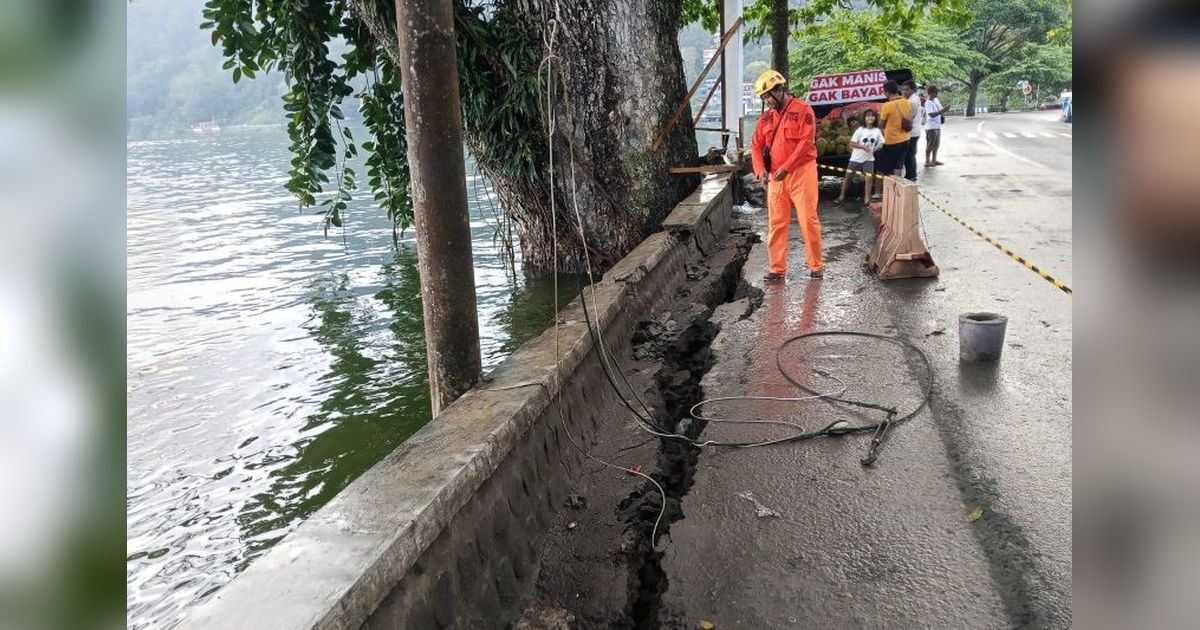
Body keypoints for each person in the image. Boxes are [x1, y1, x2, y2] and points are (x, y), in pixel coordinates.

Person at [750, 69, 823, 281]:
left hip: (802, 172)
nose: (767, 102)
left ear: (780, 90)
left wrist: (787, 167)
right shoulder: (765, 120)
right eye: (764, 98)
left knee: (808, 219)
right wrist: (760, 171)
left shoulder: (803, 110)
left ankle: (816, 265)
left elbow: (805, 142)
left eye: (768, 96)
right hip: (775, 177)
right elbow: (756, 146)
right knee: (776, 223)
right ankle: (776, 269)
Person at [836, 109, 884, 207]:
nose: (870, 118)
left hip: (869, 159)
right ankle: (841, 196)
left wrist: (878, 147)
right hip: (856, 158)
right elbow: (852, 143)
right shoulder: (860, 130)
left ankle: (867, 199)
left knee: (869, 179)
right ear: (864, 118)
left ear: (875, 118)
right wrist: (863, 147)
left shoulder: (877, 131)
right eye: (868, 116)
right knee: (848, 178)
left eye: (872, 116)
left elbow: (882, 142)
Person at [875, 80, 912, 179]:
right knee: (898, 166)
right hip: (905, 139)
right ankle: (897, 191)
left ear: (887, 92)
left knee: (880, 168)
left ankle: (878, 193)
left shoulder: (887, 106)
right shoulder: (906, 102)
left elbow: (881, 125)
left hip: (891, 141)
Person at [900, 79, 923, 180]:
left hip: (911, 131)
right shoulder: (914, 99)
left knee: (909, 155)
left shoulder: (911, 101)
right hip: (914, 130)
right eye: (903, 90)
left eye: (907, 89)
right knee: (911, 154)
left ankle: (911, 175)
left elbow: (908, 117)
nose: (904, 92)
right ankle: (912, 174)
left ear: (913, 90)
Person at [924, 85, 946, 166]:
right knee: (930, 145)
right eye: (935, 93)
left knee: (936, 145)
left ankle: (934, 160)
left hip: (937, 125)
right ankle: (927, 161)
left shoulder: (936, 100)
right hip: (931, 126)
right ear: (931, 93)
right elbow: (931, 114)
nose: (936, 94)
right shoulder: (928, 103)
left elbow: (940, 109)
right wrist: (941, 111)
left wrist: (943, 111)